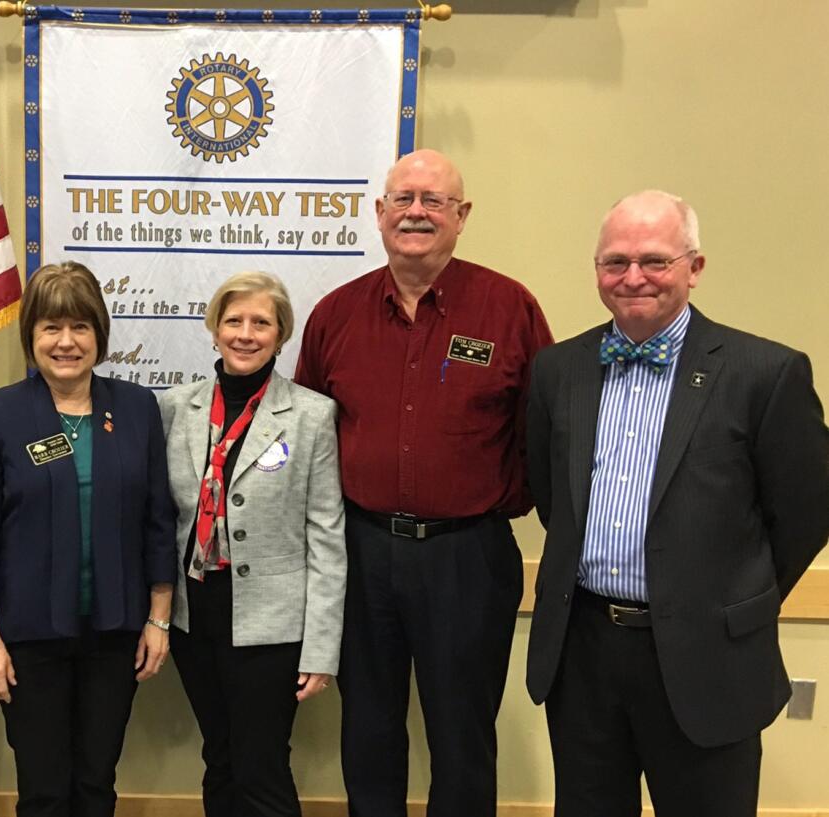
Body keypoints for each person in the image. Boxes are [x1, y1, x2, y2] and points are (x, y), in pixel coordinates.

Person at [525, 190, 829, 816]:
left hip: (706, 655)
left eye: (655, 260)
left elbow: (806, 510)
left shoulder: (763, 372)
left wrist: (732, 594)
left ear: (695, 267)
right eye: (615, 262)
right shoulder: (558, 369)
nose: (633, 277)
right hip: (583, 651)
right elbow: (554, 499)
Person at [293, 148, 553, 817]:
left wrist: (495, 503)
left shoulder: (509, 308)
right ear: (378, 214)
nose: (417, 212)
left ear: (462, 216)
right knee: (369, 730)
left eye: (434, 201)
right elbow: (308, 436)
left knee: (463, 735)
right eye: (404, 198)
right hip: (362, 551)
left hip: (468, 555)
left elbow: (545, 430)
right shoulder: (336, 315)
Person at [0, 261, 175, 817]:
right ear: (31, 336)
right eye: (51, 327)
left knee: (96, 782)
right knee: (44, 789)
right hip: (29, 635)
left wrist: (158, 617)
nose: (66, 342)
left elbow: (157, 519)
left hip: (115, 629)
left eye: (80, 326)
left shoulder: (135, 408)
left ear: (99, 335)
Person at [159, 272, 346, 817]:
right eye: (233, 320)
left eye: (261, 322)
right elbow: (162, 517)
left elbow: (327, 537)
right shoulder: (176, 407)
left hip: (272, 623)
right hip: (197, 616)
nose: (246, 333)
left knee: (261, 765)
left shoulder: (312, 415)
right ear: (214, 329)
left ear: (281, 334)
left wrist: (321, 648)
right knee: (219, 757)